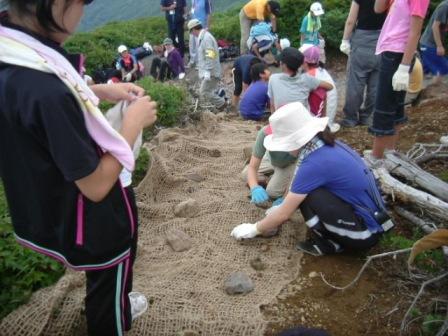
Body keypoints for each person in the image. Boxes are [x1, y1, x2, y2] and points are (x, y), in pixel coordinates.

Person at [0, 1, 158, 335]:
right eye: (81, 4)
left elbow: (41, 108)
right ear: (56, 3)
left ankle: (112, 304)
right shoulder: (46, 91)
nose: (82, 14)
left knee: (101, 282)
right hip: (93, 221)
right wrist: (132, 124)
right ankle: (114, 316)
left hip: (46, 205)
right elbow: (97, 186)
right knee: (110, 277)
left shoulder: (12, 52)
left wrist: (96, 91)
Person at [231, 103, 393, 256]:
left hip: (366, 234)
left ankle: (330, 244)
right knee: (304, 192)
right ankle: (334, 236)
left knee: (309, 194)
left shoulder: (314, 163)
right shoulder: (326, 144)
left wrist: (255, 228)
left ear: (295, 140)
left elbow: (284, 213)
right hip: (375, 218)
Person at [367, 0, 430, 165]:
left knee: (384, 106)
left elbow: (415, 32)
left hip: (399, 54)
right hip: (391, 51)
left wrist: (404, 66)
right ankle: (389, 153)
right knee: (394, 105)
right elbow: (378, 8)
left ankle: (376, 158)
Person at [339, 0, 387, 128]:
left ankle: (350, 118)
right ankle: (367, 117)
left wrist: (345, 39)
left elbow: (351, 20)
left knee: (355, 83)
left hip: (362, 40)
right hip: (382, 40)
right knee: (376, 85)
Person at [241, 121, 297, 206]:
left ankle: (274, 181)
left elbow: (299, 172)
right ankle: (269, 179)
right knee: (245, 174)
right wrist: (254, 188)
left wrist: (285, 198)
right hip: (271, 158)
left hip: (289, 163)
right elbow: (252, 167)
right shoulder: (265, 132)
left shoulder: (299, 137)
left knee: (273, 192)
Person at [268, 47, 333, 112]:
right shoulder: (307, 79)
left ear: (283, 64)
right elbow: (330, 87)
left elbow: (272, 105)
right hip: (302, 120)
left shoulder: (273, 78)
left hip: (280, 119)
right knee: (319, 90)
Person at [188, 18, 227, 110]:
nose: (192, 34)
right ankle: (221, 101)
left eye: (191, 32)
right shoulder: (203, 37)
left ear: (193, 29)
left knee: (204, 92)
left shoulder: (206, 38)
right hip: (209, 70)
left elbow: (210, 55)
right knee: (208, 90)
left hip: (211, 71)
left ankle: (222, 104)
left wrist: (208, 71)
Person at [300, 45, 340, 133]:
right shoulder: (321, 71)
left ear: (304, 62)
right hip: (328, 117)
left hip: (322, 119)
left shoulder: (310, 75)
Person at [419, 0, 448, 84]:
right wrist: (439, 46)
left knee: (425, 73)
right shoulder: (445, 6)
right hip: (429, 45)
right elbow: (435, 27)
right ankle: (432, 94)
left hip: (429, 45)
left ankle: (419, 93)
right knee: (441, 71)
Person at [188, 0, 212, 66]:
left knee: (199, 44)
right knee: (191, 43)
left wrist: (208, 26)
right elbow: (192, 10)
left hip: (201, 25)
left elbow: (209, 13)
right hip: (192, 24)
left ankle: (199, 62)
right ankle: (192, 60)